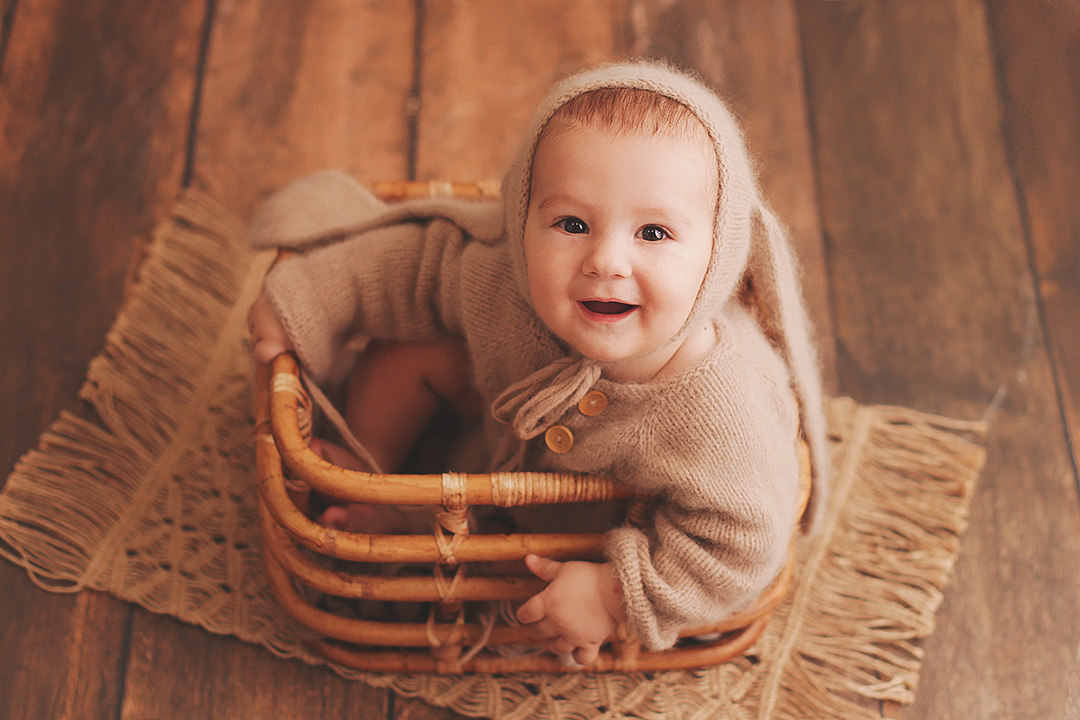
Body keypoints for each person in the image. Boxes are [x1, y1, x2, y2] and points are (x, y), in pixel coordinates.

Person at [247, 61, 827, 666]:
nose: (606, 260)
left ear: (718, 253)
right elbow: (410, 265)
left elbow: (745, 544)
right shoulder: (507, 282)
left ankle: (558, 577)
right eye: (571, 224)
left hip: (588, 545)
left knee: (707, 536)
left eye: (653, 233)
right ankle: (374, 477)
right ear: (522, 219)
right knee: (414, 345)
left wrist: (614, 594)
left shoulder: (723, 414)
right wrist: (306, 298)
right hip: (492, 434)